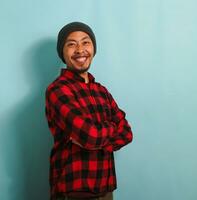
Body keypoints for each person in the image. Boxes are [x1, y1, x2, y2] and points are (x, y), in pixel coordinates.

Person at [45, 22, 133, 200]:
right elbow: (90, 135)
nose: (80, 49)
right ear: (62, 53)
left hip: (106, 190)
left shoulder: (102, 91)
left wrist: (96, 138)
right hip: (74, 192)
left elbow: (127, 133)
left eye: (86, 42)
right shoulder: (57, 90)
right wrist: (108, 130)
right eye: (71, 44)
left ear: (93, 48)